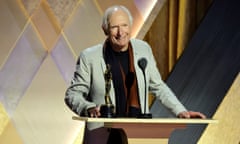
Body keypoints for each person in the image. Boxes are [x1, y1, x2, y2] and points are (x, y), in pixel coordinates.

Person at [65, 5, 206, 144]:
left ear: (131, 26)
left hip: (137, 136)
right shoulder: (89, 57)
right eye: (114, 27)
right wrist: (88, 108)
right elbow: (72, 94)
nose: (121, 32)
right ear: (105, 29)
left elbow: (158, 86)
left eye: (124, 25)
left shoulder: (143, 49)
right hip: (103, 136)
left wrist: (181, 111)